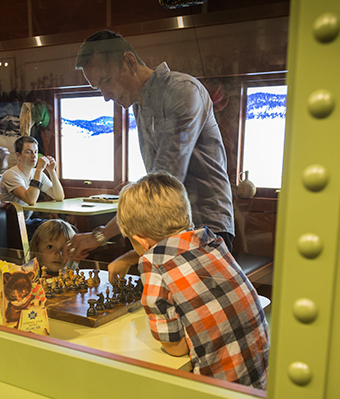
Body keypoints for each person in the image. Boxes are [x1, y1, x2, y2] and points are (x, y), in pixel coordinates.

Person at [67, 30, 235, 278]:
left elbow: (164, 184)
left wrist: (100, 237)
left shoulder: (182, 91)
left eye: (106, 80)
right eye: (98, 87)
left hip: (206, 230)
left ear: (130, 61)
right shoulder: (140, 104)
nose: (105, 96)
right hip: (170, 232)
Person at [118, 171, 268, 390]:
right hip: (259, 382)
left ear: (141, 241)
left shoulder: (154, 262)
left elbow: (175, 348)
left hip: (218, 392)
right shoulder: (212, 241)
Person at [0, 135, 64, 237]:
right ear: (18, 155)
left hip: (26, 221)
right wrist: (39, 170)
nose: (34, 156)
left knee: (60, 227)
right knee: (51, 233)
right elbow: (30, 199)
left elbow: (59, 196)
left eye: (36, 152)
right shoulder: (11, 175)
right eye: (28, 152)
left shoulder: (38, 174)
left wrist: (52, 172)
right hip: (9, 224)